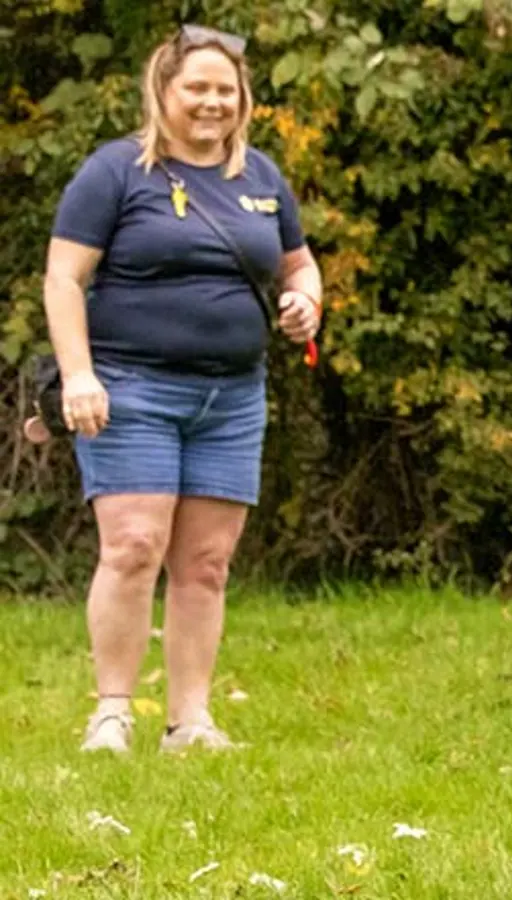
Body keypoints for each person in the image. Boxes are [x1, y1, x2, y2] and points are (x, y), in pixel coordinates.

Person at [40, 24, 322, 753]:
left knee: (205, 563)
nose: (211, 102)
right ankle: (112, 712)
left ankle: (190, 720)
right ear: (163, 92)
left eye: (225, 90)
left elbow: (299, 265)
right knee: (132, 546)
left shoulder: (260, 177)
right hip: (131, 389)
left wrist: (306, 303)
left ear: (243, 99)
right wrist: (78, 374)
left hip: (231, 397)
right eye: (196, 87)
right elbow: (64, 278)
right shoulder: (115, 173)